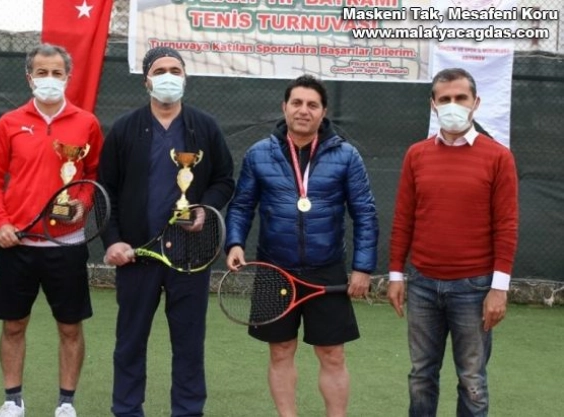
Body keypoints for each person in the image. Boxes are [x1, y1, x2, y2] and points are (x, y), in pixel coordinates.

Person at [225, 74, 378, 417]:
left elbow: (365, 213)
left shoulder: (347, 156)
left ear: (324, 112)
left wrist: (363, 267)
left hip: (327, 269)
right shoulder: (258, 154)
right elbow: (241, 205)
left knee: (332, 354)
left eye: (312, 105)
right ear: (284, 107)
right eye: (297, 103)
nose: (303, 110)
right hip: (273, 269)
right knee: (280, 349)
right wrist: (234, 242)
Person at [99, 46, 235, 417]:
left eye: (176, 70)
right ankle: (127, 410)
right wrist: (113, 241)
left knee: (189, 346)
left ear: (185, 77)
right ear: (146, 81)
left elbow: (225, 179)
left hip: (190, 257)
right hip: (137, 257)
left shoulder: (204, 126)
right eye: (160, 71)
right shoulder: (125, 128)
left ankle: (188, 411)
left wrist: (205, 209)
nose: (168, 77)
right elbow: (105, 190)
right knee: (129, 343)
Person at [0, 44, 103, 417]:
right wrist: (1, 223)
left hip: (67, 245)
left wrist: (81, 203)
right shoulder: (9, 123)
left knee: (70, 328)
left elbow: (93, 175)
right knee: (14, 325)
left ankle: (66, 404)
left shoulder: (87, 123)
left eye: (56, 73)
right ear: (29, 77)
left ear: (68, 77)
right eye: (42, 72)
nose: (49, 79)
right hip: (18, 244)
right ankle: (12, 400)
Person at [387, 67, 519, 417]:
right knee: (421, 376)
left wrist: (499, 289)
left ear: (476, 102)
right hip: (422, 285)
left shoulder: (498, 157)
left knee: (472, 380)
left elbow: (506, 225)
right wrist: (396, 275)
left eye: (461, 98)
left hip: (474, 288)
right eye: (444, 99)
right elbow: (403, 218)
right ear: (433, 104)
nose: (453, 105)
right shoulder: (416, 155)